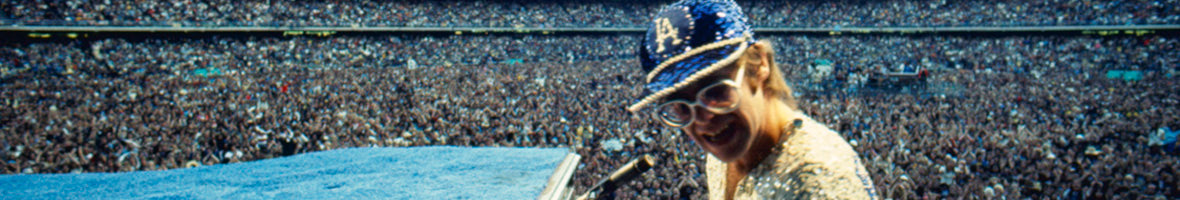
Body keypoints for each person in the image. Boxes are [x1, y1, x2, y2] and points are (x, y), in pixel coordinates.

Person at [626, 0, 877, 199]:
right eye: (681, 107)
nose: (702, 120)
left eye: (714, 90)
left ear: (759, 65)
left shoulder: (823, 181)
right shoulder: (726, 150)